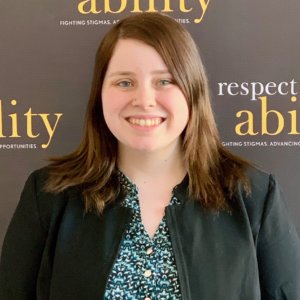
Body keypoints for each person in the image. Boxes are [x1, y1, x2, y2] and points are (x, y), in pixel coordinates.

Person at [0, 12, 299, 300]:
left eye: (165, 81)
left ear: (192, 90)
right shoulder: (49, 196)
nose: (144, 100)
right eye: (124, 82)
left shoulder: (254, 196)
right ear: (100, 93)